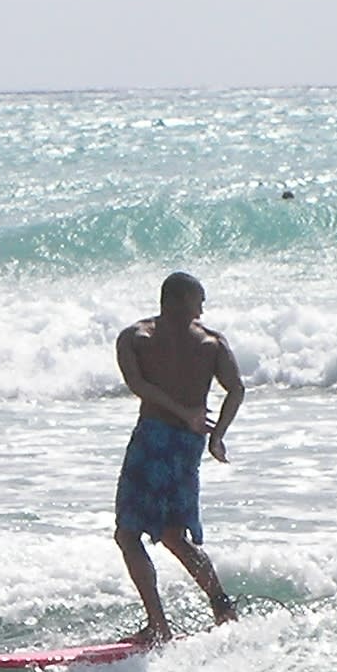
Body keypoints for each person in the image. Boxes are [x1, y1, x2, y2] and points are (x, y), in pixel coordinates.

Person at [113, 271, 244, 642]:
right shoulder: (138, 337)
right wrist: (200, 425)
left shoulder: (206, 343)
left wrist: (218, 435)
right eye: (196, 301)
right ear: (173, 301)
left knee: (131, 534)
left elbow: (237, 388)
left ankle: (165, 625)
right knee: (169, 534)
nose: (202, 309)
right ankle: (220, 611)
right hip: (172, 442)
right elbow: (137, 384)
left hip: (160, 440)